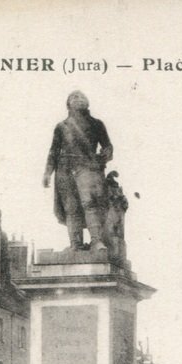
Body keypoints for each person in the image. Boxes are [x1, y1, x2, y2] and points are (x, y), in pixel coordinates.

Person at [43, 90, 114, 252]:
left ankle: (96, 241)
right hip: (64, 169)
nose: (78, 99)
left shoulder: (97, 124)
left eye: (81, 97)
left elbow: (108, 146)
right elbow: (54, 151)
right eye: (74, 97)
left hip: (87, 167)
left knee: (90, 204)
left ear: (87, 102)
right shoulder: (61, 126)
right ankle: (76, 244)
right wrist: (47, 172)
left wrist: (104, 155)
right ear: (68, 104)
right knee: (71, 208)